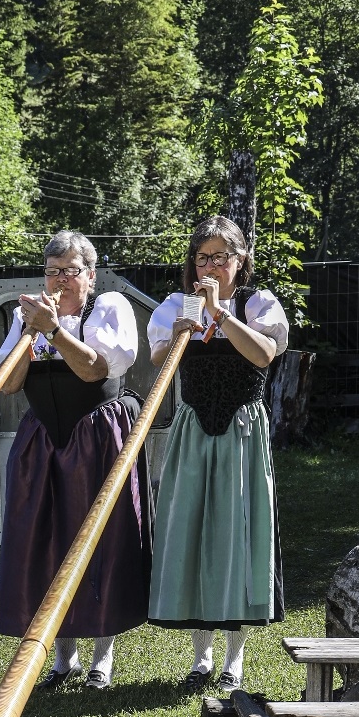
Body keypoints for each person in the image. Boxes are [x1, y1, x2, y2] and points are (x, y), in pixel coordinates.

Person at [0, 231, 148, 689]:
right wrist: (31, 331)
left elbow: (96, 368)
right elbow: (10, 384)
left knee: (102, 537)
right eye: (52, 270)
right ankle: (63, 657)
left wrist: (54, 331)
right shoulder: (28, 318)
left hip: (96, 434)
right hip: (44, 437)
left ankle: (103, 656)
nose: (60, 280)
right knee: (46, 538)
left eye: (70, 271)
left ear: (90, 276)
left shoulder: (109, 308)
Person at [146, 214, 289, 690]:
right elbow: (157, 362)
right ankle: (200, 657)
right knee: (192, 529)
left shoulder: (256, 305)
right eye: (201, 257)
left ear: (240, 260)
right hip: (193, 428)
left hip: (241, 430)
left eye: (219, 258)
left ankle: (234, 660)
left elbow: (264, 355)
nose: (208, 267)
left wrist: (221, 314)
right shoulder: (175, 305)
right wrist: (180, 334)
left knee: (236, 533)